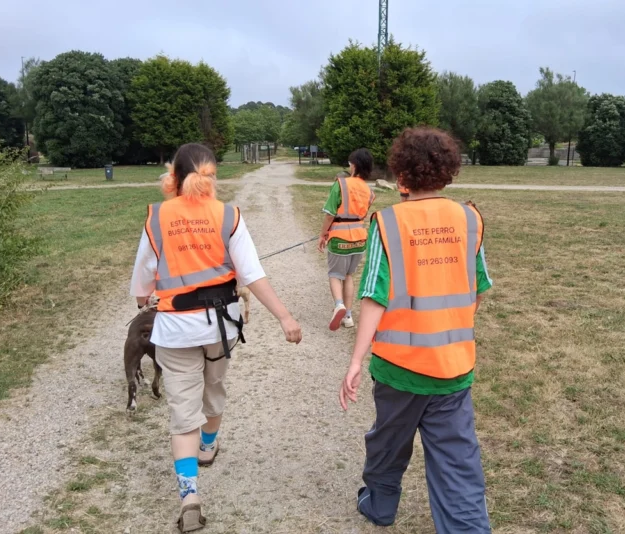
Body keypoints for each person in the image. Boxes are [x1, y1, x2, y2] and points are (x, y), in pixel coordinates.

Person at [130, 143, 302, 532]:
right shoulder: (229, 216)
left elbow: (143, 281)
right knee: (215, 388)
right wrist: (285, 316)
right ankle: (209, 446)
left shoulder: (156, 218)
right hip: (220, 327)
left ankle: (190, 497)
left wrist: (146, 296)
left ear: (172, 176)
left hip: (174, 330)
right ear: (211, 175)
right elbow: (253, 275)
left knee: (182, 409)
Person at [339, 127, 493, 533]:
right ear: (448, 173)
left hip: (398, 368)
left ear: (402, 175)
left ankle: (380, 505)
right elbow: (479, 290)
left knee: (388, 444)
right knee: (458, 464)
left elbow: (373, 297)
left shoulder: (387, 223)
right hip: (454, 368)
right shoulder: (469, 218)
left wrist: (356, 361)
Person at [317, 149, 376, 330]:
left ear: (354, 165)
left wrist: (322, 234)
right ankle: (348, 316)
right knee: (349, 275)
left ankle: (338, 305)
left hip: (339, 237)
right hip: (359, 239)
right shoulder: (369, 190)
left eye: (350, 163)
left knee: (335, 275)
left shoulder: (341, 184)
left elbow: (329, 214)